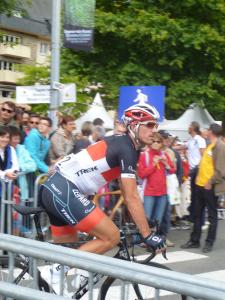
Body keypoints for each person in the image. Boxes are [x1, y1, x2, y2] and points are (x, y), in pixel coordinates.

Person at [39, 103, 166, 255]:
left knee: (63, 256)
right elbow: (131, 196)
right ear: (133, 125)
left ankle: (56, 275)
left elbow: (126, 193)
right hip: (64, 190)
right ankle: (73, 273)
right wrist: (147, 234)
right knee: (111, 237)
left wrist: (143, 221)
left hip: (55, 188)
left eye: (155, 126)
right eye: (150, 125)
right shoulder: (126, 148)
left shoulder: (125, 145)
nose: (154, 130)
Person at [181, 123, 222, 253]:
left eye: (207, 130)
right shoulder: (209, 145)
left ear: (212, 132)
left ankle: (209, 243)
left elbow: (221, 170)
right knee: (197, 214)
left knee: (212, 216)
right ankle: (194, 240)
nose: (205, 131)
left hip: (210, 186)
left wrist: (210, 181)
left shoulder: (220, 146)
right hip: (200, 185)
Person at [137, 132, 175, 235]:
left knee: (158, 219)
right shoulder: (144, 155)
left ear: (162, 143)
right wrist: (153, 165)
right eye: (153, 141)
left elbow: (172, 170)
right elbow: (141, 174)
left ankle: (154, 239)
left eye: (158, 141)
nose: (155, 143)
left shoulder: (164, 155)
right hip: (149, 193)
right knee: (148, 219)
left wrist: (166, 163)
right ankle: (146, 239)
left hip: (162, 193)